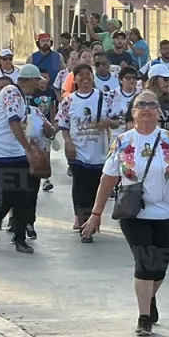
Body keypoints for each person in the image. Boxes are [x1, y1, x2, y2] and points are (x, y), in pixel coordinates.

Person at [83, 91, 169, 336]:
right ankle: (143, 317)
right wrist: (96, 213)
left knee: (159, 267)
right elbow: (108, 180)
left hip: (166, 213)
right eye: (142, 105)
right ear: (133, 112)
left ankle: (149, 298)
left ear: (159, 112)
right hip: (134, 213)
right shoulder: (123, 141)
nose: (147, 108)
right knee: (145, 261)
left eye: (152, 104)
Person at [0, 64, 50, 254]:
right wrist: (28, 149)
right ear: (30, 80)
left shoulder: (23, 98)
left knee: (23, 196)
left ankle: (19, 238)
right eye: (37, 80)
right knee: (8, 193)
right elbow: (13, 123)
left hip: (15, 152)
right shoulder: (11, 92)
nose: (39, 83)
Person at [56, 63, 118, 239]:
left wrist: (107, 122)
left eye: (87, 74)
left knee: (95, 188)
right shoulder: (69, 101)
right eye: (80, 75)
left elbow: (117, 120)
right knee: (80, 188)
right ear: (74, 79)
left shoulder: (103, 97)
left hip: (99, 152)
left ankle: (91, 218)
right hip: (78, 152)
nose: (84, 77)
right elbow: (63, 124)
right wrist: (68, 143)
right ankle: (84, 225)